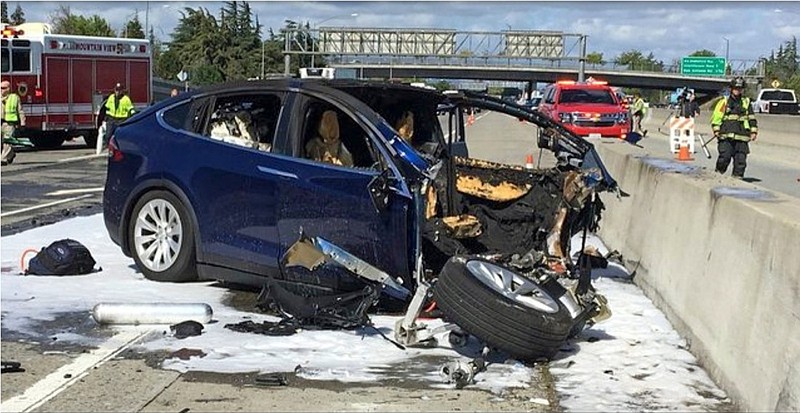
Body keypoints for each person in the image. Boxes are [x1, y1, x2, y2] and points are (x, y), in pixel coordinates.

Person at [711, 77, 758, 179]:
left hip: (742, 136)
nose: (738, 90)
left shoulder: (746, 102)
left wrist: (753, 131)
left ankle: (737, 180)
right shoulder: (724, 102)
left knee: (740, 161)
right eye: (736, 88)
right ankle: (717, 175)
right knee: (724, 157)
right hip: (725, 135)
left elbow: (751, 117)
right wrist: (716, 130)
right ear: (731, 88)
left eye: (740, 88)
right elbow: (716, 117)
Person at [101, 83, 135, 147]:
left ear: (122, 91)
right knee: (108, 135)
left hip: (121, 120)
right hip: (111, 120)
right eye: (116, 90)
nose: (117, 92)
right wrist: (105, 118)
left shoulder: (126, 99)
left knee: (120, 136)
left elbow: (131, 109)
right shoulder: (111, 97)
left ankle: (120, 147)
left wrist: (133, 117)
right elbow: (107, 109)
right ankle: (107, 147)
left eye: (119, 90)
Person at [1, 80, 25, 165]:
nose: (1, 90)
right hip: (1, 123)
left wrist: (22, 123)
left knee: (7, 141)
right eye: (0, 88)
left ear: (8, 89)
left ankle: (3, 159)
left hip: (10, 123)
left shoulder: (14, 98)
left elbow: (20, 111)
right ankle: (11, 154)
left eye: (3, 88)